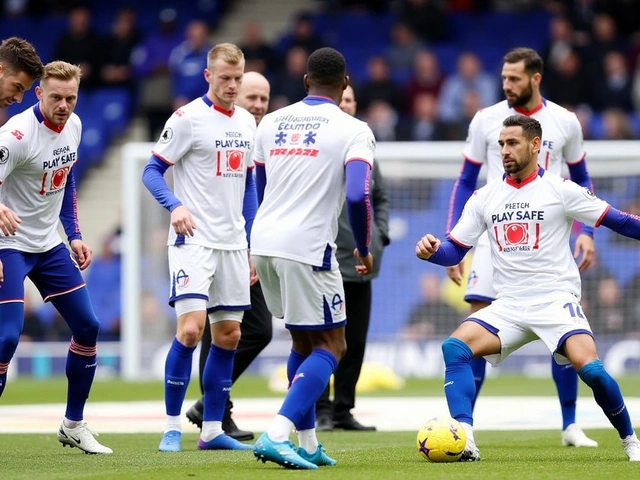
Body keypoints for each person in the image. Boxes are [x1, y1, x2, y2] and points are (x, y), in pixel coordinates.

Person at [416, 114, 640, 462]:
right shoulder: (485, 196)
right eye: (501, 144)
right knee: (454, 348)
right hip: (509, 304)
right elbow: (454, 250)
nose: (504, 150)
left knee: (592, 370)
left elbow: (621, 221)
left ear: (535, 145)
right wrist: (432, 252)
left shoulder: (561, 190)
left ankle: (630, 439)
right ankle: (466, 439)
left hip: (555, 300)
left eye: (513, 143)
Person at [445, 47, 598, 448]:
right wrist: (452, 238)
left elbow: (582, 177)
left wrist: (586, 232)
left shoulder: (564, 121)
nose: (506, 85)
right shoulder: (485, 120)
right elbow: (465, 180)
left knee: (561, 332)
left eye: (514, 78)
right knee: (475, 326)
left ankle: (569, 425)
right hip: (494, 237)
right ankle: (466, 431)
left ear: (535, 78)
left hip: (545, 239)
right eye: (503, 78)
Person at [251, 47, 375, 470]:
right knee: (333, 344)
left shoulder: (270, 122)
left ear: (305, 82)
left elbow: (261, 185)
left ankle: (307, 444)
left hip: (263, 240)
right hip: (308, 248)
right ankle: (276, 433)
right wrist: (362, 245)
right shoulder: (354, 128)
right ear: (345, 85)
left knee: (302, 341)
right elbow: (358, 194)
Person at [141, 43, 257, 453]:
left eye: (237, 78)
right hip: (193, 241)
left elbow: (249, 187)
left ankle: (210, 431)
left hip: (231, 244)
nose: (231, 85)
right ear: (208, 76)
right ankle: (172, 426)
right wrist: (174, 206)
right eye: (224, 78)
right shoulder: (187, 118)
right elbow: (151, 171)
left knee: (229, 335)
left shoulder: (246, 122)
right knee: (191, 331)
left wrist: (250, 243)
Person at [0, 59, 113, 455]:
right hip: (8, 244)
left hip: (48, 244)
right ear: (38, 94)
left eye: (71, 98)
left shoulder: (75, 127)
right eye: (56, 97)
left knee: (88, 326)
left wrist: (76, 235)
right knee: (7, 337)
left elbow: (66, 181)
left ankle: (74, 424)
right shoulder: (15, 135)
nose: (64, 106)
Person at [185, 71, 273, 441]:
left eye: (263, 100)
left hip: (252, 245)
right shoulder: (213, 129)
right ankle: (215, 410)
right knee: (214, 329)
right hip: (214, 245)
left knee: (251, 330)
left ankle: (212, 405)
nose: (256, 105)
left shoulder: (262, 135)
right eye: (250, 97)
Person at [315, 84, 390, 432]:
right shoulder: (318, 147)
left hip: (363, 265)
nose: (343, 105)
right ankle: (320, 409)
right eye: (339, 99)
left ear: (354, 104)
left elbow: (381, 197)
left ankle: (343, 408)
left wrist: (381, 236)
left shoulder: (365, 146)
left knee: (354, 342)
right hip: (326, 260)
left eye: (349, 100)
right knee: (322, 338)